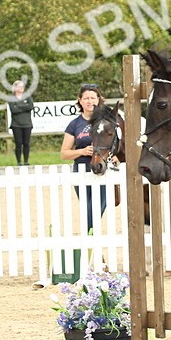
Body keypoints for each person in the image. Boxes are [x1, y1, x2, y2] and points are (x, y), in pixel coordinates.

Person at [61, 84, 108, 232]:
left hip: (101, 170)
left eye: (93, 98)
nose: (90, 101)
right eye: (86, 98)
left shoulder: (106, 121)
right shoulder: (74, 124)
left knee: (98, 206)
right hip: (81, 170)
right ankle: (92, 239)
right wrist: (82, 151)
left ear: (98, 100)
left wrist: (116, 158)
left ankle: (89, 237)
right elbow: (64, 153)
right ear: (80, 101)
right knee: (89, 206)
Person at [7, 80, 34, 166]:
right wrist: (24, 107)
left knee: (26, 143)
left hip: (27, 124)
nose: (22, 88)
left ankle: (26, 161)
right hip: (16, 124)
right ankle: (19, 161)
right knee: (18, 143)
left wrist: (19, 106)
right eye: (19, 86)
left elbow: (30, 106)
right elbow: (13, 110)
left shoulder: (27, 96)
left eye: (22, 86)